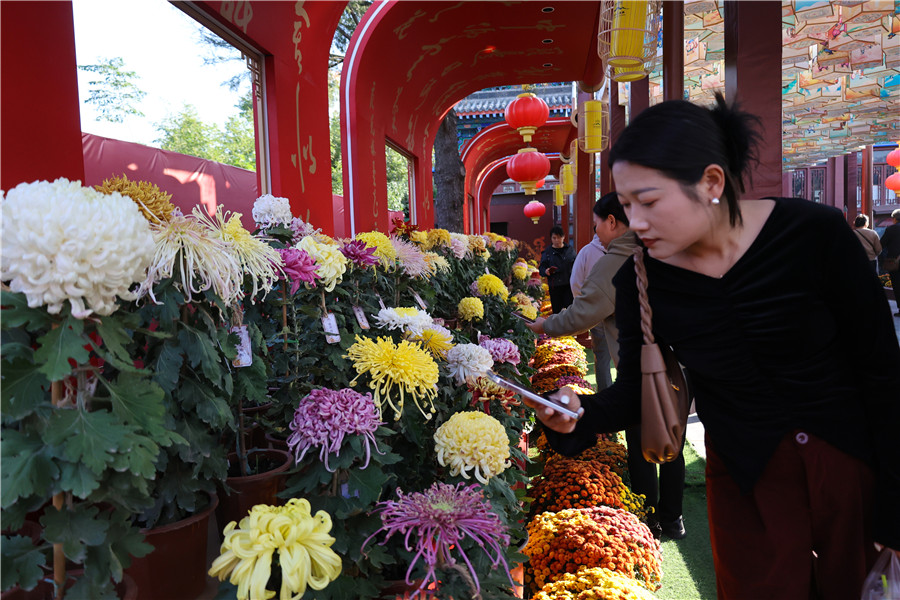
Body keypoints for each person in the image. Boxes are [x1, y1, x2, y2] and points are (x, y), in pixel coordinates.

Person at [524, 93, 900, 599]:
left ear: (711, 183)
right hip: (747, 479)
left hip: (849, 468)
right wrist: (578, 412)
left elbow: (882, 370)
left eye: (649, 201)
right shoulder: (643, 278)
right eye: (628, 205)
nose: (635, 222)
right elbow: (638, 390)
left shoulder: (816, 235)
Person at [527, 193, 686, 539]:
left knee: (642, 439)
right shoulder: (659, 247)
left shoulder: (620, 259)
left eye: (598, 223)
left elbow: (584, 311)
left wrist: (545, 325)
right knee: (671, 437)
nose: (596, 231)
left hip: (647, 369)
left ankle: (649, 519)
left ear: (613, 221)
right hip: (679, 368)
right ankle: (673, 518)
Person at [568, 207, 612, 391]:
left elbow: (575, 282)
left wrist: (586, 307)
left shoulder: (586, 252)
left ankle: (607, 398)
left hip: (597, 315)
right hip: (623, 314)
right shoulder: (624, 252)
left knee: (602, 358)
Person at [539, 225, 576, 313]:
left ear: (563, 237)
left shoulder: (570, 250)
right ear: (551, 239)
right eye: (554, 238)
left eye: (559, 238)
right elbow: (541, 268)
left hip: (568, 286)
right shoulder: (547, 252)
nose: (556, 240)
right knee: (557, 312)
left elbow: (577, 265)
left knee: (570, 311)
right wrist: (546, 271)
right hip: (555, 287)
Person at [880, 208, 900, 316]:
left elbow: (881, 244)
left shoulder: (891, 229)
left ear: (894, 219)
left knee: (897, 284)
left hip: (894, 261)